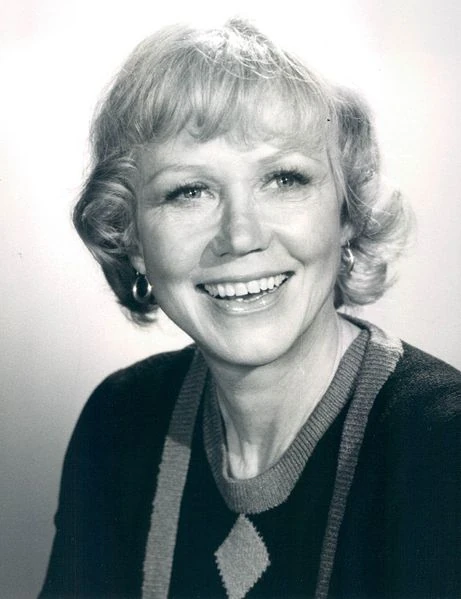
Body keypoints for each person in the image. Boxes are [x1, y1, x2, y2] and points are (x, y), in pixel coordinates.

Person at [39, 18, 460, 599]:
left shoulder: (442, 446)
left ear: (346, 215)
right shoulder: (119, 423)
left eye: (284, 179)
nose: (240, 236)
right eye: (189, 191)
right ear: (131, 238)